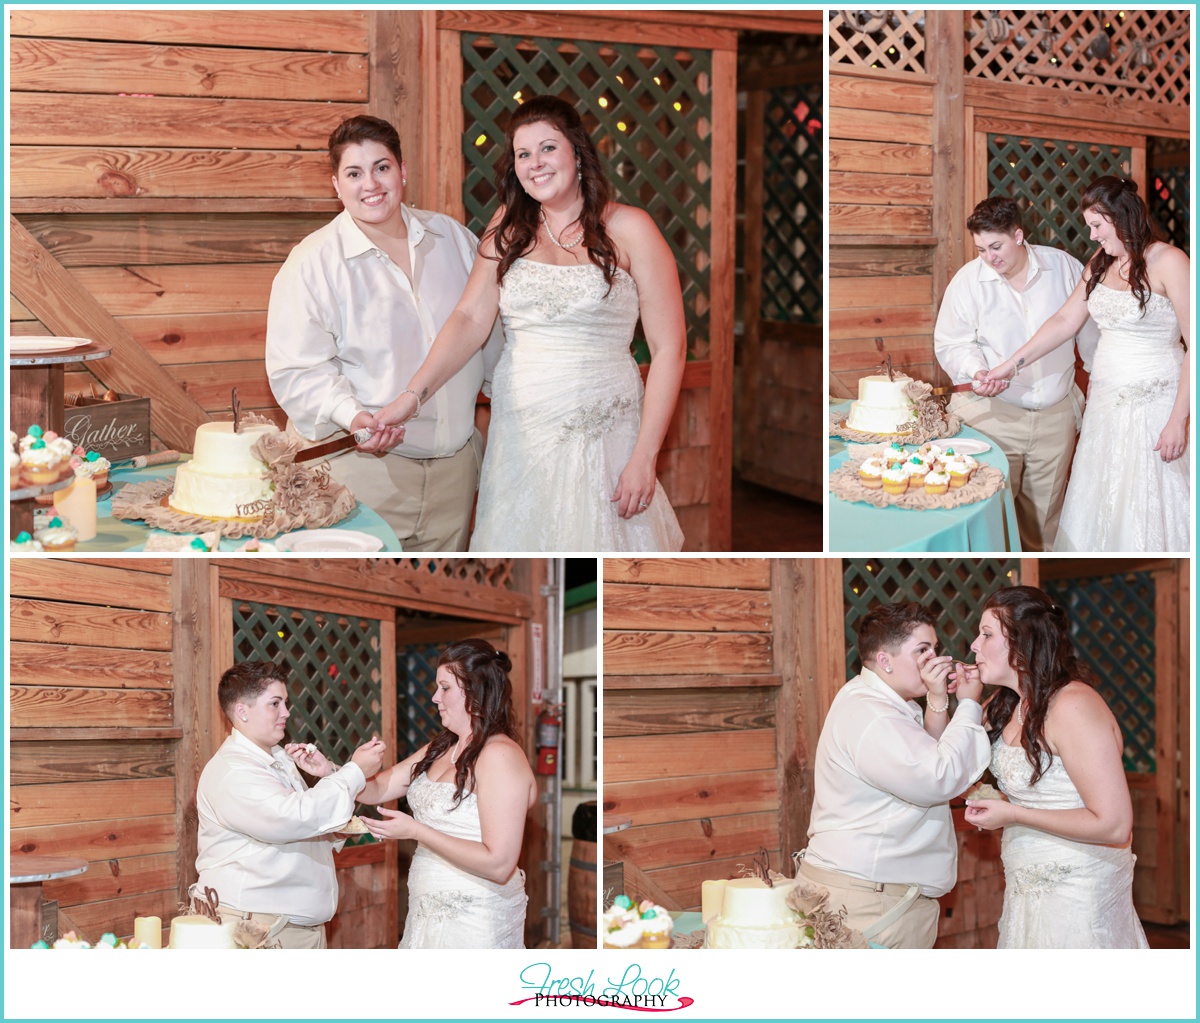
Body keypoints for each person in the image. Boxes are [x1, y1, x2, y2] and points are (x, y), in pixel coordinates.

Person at [370, 95, 685, 552]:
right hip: (522, 434)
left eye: (548, 148)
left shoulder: (632, 229)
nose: (535, 163)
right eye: (523, 154)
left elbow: (670, 348)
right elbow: (470, 317)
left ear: (577, 153)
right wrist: (410, 397)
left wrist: (645, 456)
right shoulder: (507, 227)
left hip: (605, 438)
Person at [265, 115, 505, 551]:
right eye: (354, 173)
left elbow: (489, 338)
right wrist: (353, 416)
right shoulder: (312, 263)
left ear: (403, 171)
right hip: (360, 472)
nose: (370, 184)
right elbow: (297, 371)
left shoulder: (453, 238)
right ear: (336, 185)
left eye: (382, 167)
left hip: (455, 475)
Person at [983, 177, 1190, 552]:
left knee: (1151, 504)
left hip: (1157, 405)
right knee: (1101, 503)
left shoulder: (1170, 261)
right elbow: (1064, 322)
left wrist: (1178, 420)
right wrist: (1008, 366)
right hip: (1106, 405)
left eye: (1097, 225)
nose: (1092, 236)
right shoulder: (1100, 263)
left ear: (1121, 216)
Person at [964, 586, 1148, 948]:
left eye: (986, 634)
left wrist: (1014, 814)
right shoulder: (1007, 704)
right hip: (1026, 887)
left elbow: (1114, 825)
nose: (973, 645)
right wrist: (945, 700)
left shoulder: (1073, 707)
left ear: (1022, 642)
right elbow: (948, 764)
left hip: (1079, 891)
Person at [798, 601, 990, 948]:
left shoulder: (877, 699)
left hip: (870, 889)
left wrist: (936, 699)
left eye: (934, 648)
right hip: (869, 900)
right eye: (922, 650)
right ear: (885, 660)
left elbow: (925, 756)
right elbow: (937, 777)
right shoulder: (874, 716)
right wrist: (970, 705)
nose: (935, 659)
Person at [934, 196, 1099, 551]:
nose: (989, 258)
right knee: (990, 517)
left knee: (1043, 523)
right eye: (980, 249)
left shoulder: (1065, 269)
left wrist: (1101, 390)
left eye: (996, 246)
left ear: (1019, 235)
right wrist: (977, 369)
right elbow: (951, 343)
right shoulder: (967, 282)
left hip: (1056, 416)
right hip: (993, 415)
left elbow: (1090, 336)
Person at [194, 661, 387, 948]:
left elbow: (301, 827)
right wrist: (355, 770)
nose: (286, 712)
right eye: (275, 703)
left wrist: (334, 831)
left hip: (289, 926)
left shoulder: (279, 759)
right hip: (255, 927)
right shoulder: (233, 770)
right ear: (242, 711)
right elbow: (291, 819)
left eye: (285, 702)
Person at [357, 639, 536, 948]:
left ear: (475, 690)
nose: (434, 697)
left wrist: (415, 830)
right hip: (425, 913)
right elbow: (377, 788)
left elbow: (499, 864)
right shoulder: (442, 747)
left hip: (475, 918)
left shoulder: (499, 755)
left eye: (445, 688)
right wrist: (333, 771)